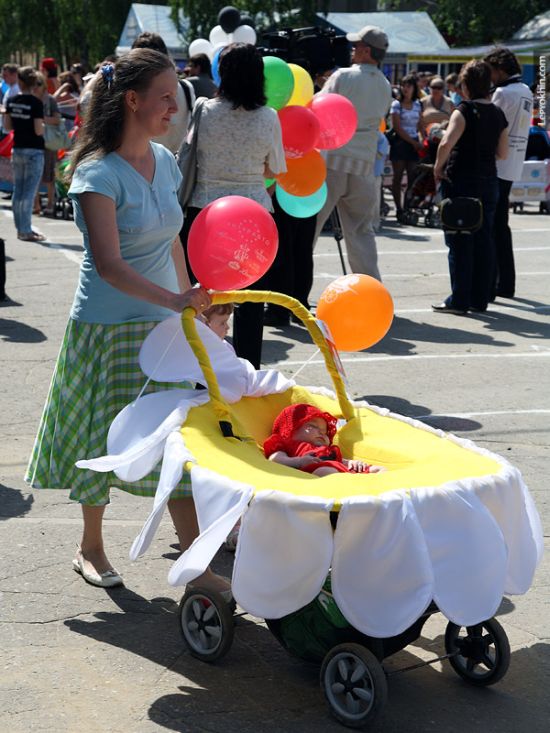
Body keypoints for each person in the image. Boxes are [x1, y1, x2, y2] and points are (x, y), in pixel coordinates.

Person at [24, 49, 228, 594]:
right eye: (164, 97)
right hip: (107, 327)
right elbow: (109, 266)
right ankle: (90, 545)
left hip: (162, 325)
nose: (174, 107)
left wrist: (195, 305)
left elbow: (174, 239)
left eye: (176, 98)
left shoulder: (164, 161)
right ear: (132, 100)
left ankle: (197, 564)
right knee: (101, 439)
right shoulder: (95, 174)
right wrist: (176, 299)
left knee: (175, 439)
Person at [179, 42, 286, 369]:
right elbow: (276, 168)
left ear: (221, 73)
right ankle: (248, 370)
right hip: (253, 217)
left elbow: (189, 155)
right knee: (252, 304)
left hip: (206, 214)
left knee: (199, 298)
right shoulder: (269, 117)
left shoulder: (204, 109)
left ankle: (198, 369)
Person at [312, 25, 392, 282]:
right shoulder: (385, 85)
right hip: (364, 165)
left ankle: (295, 290)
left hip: (333, 160)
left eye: (357, 46)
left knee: (309, 228)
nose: (353, 49)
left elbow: (317, 108)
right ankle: (372, 287)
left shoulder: (343, 76)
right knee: (361, 231)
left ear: (367, 51)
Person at [433, 60, 509, 315]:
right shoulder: (498, 114)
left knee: (459, 239)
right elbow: (502, 153)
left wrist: (437, 167)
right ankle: (480, 298)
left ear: (466, 85)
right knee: (484, 239)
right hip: (489, 182)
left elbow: (446, 142)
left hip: (463, 182)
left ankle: (459, 299)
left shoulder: (463, 110)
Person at [484, 47, 533, 299]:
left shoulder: (503, 92)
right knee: (501, 226)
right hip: (514, 162)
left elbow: (491, 124)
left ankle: (492, 283)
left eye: (491, 71)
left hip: (497, 163)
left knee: (492, 226)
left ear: (501, 70)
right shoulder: (525, 91)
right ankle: (506, 284)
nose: (489, 77)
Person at [264, 404, 385, 477]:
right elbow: (275, 460)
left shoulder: (328, 450)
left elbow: (338, 461)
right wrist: (299, 461)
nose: (322, 432)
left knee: (379, 469)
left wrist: (352, 463)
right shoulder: (287, 443)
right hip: (316, 473)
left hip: (343, 472)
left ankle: (378, 493)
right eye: (313, 426)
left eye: (325, 431)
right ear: (290, 430)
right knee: (325, 471)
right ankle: (355, 489)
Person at [131, 31, 194, 154]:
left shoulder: (137, 94)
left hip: (147, 165)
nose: (173, 108)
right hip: (178, 164)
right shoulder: (187, 87)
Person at [4, 66, 45, 242]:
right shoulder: (36, 103)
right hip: (34, 150)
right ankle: (26, 230)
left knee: (18, 191)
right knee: (29, 192)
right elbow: (38, 131)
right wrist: (44, 127)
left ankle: (20, 228)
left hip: (17, 148)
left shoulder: (11, 100)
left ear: (20, 82)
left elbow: (7, 127)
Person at [389, 74, 423, 221]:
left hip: (414, 143)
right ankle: (399, 209)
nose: (405, 89)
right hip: (400, 143)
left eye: (409, 86)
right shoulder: (396, 105)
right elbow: (397, 127)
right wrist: (413, 142)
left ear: (414, 88)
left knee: (412, 178)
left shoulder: (418, 104)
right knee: (397, 177)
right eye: (403, 85)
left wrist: (422, 139)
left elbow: (420, 124)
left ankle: (408, 207)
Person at [33, 71, 61, 216]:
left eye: (37, 84)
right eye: (33, 84)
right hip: (33, 141)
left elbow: (57, 119)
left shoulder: (50, 100)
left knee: (49, 175)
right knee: (35, 175)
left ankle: (50, 203)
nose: (35, 88)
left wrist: (41, 119)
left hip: (48, 142)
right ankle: (36, 204)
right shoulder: (30, 99)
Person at [1, 63, 20, 137]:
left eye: (5, 75)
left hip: (11, 131)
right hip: (6, 128)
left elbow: (16, 109)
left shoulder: (16, 89)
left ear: (14, 75)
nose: (3, 78)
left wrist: (3, 110)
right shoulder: (11, 89)